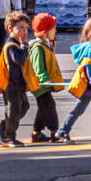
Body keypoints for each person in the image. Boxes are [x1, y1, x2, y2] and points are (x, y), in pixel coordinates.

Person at [0, 11, 36, 148]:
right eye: (21, 27)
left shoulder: (16, 43)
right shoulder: (11, 45)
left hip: (19, 84)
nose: (25, 30)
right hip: (11, 85)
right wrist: (25, 46)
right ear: (11, 28)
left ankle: (2, 126)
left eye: (26, 27)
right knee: (14, 110)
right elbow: (19, 60)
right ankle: (9, 136)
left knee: (24, 107)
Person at [28, 12, 63, 143]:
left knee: (43, 107)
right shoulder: (37, 47)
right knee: (49, 106)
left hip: (42, 84)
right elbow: (38, 67)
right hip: (39, 84)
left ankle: (36, 132)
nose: (56, 31)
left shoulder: (44, 45)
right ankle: (55, 131)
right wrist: (44, 79)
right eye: (53, 28)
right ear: (46, 31)